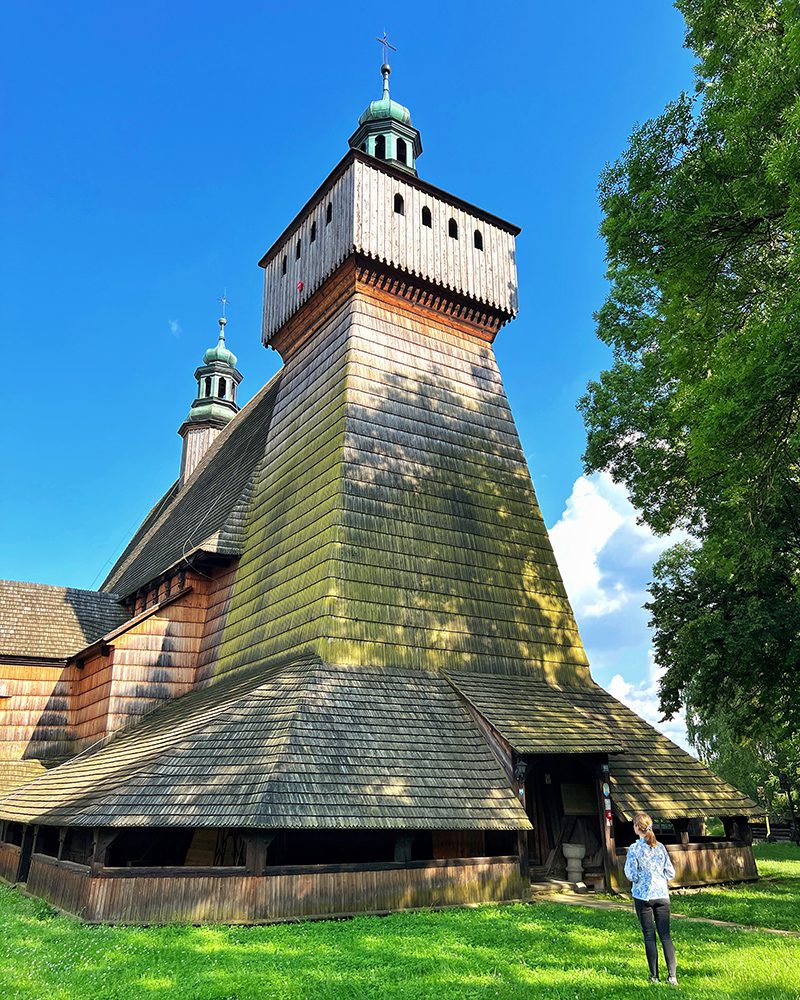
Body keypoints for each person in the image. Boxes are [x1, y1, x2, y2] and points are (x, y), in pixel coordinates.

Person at [624, 813, 678, 985]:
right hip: (662, 895)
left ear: (636, 828)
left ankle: (654, 976)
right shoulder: (660, 847)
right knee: (666, 936)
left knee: (649, 936)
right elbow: (670, 872)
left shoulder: (634, 849)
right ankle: (672, 977)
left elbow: (631, 874)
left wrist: (642, 877)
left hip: (643, 896)